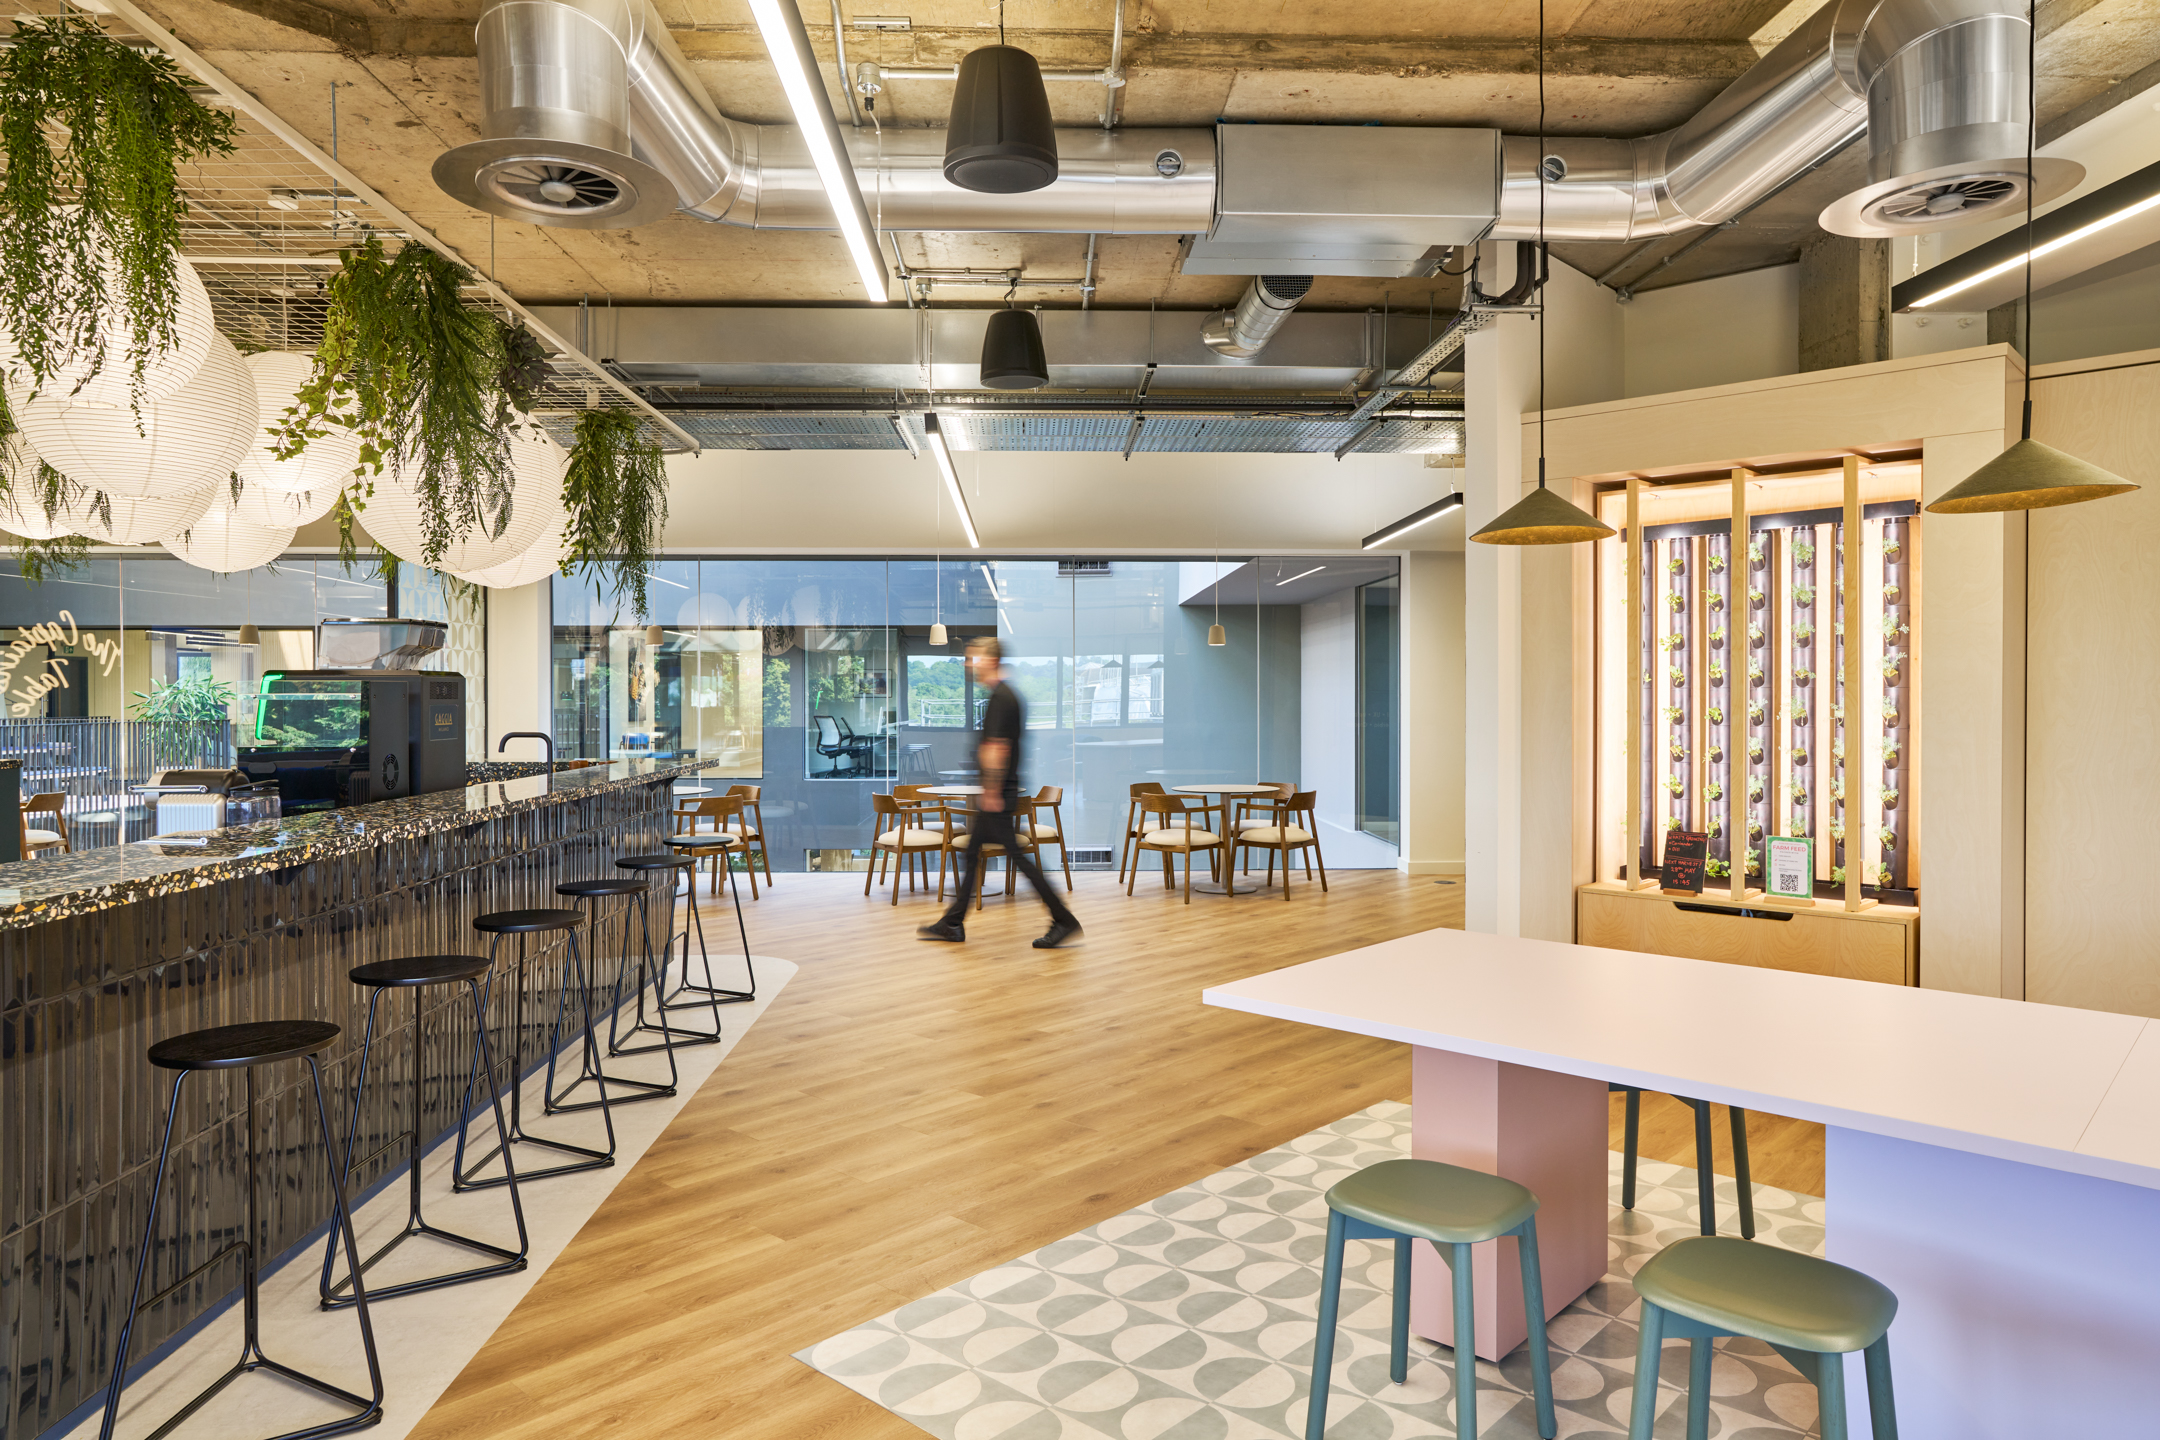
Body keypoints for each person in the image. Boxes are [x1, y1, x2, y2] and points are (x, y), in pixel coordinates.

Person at [918, 637, 1082, 949]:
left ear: (990, 660)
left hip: (997, 795)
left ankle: (1063, 919)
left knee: (1019, 860)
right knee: (974, 855)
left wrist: (991, 789)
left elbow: (998, 747)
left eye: (973, 658)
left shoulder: (1002, 699)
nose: (968, 664)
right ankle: (953, 922)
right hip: (997, 792)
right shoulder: (1004, 696)